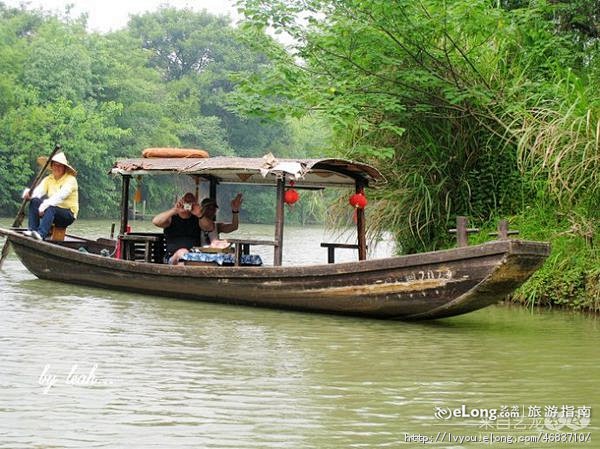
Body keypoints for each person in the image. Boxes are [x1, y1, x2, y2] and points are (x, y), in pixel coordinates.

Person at [22, 152, 79, 240]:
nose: (57, 168)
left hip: (67, 215)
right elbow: (38, 192)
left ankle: (41, 234)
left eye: (60, 166)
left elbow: (60, 196)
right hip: (51, 212)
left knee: (51, 207)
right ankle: (32, 229)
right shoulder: (48, 179)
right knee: (35, 201)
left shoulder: (70, 179)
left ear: (64, 168)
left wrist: (44, 206)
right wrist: (29, 194)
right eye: (55, 165)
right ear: (51, 166)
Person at [152, 192, 202, 264]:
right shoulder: (171, 219)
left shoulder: (198, 219)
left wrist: (199, 213)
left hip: (195, 257)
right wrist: (175, 210)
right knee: (182, 253)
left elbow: (209, 227)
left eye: (190, 202)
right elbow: (156, 221)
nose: (187, 204)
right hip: (172, 257)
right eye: (185, 201)